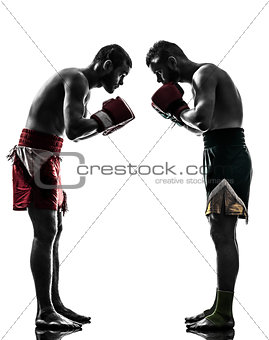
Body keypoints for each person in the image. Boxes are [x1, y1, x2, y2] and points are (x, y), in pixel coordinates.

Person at [8, 44, 134, 331]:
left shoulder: (80, 84)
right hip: (37, 152)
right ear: (106, 65)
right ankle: (44, 311)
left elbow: (74, 134)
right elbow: (76, 129)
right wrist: (105, 119)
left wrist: (104, 123)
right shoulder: (77, 79)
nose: (121, 82)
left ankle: (55, 304)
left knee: (55, 230)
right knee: (45, 232)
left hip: (48, 152)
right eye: (121, 74)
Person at [146, 40, 252, 330]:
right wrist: (177, 115)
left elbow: (202, 120)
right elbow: (200, 127)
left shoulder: (204, 74)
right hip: (218, 154)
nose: (158, 79)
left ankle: (224, 314)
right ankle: (219, 306)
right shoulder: (200, 79)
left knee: (222, 232)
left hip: (227, 156)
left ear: (171, 61)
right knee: (218, 231)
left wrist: (177, 110)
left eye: (157, 71)